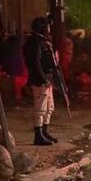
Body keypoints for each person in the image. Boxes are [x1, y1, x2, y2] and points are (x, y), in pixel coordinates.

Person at [23, 16, 59, 146]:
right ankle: (38, 135)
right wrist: (44, 78)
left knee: (49, 107)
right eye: (47, 26)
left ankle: (44, 131)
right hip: (40, 80)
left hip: (46, 79)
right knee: (40, 108)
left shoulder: (42, 41)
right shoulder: (35, 42)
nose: (49, 29)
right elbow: (35, 63)